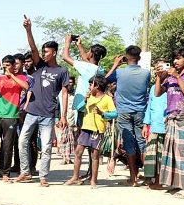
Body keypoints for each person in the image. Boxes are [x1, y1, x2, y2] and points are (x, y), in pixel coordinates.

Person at [16, 16, 70, 186]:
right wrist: (28, 30)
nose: (43, 54)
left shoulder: (62, 71)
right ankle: (25, 172)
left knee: (46, 147)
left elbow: (64, 94)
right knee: (22, 141)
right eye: (43, 51)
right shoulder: (40, 66)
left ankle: (43, 176)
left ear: (54, 52)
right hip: (32, 111)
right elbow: (32, 48)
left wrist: (63, 116)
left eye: (46, 51)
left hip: (48, 114)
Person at [154, 47, 184, 198]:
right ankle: (176, 184)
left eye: (179, 58)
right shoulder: (169, 78)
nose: (175, 61)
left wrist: (178, 77)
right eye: (174, 58)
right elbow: (157, 93)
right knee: (172, 152)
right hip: (171, 117)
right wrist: (158, 77)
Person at [105, 45, 150, 187]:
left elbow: (104, 80)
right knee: (142, 143)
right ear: (139, 58)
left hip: (123, 112)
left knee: (129, 144)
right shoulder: (146, 73)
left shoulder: (119, 72)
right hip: (141, 111)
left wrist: (115, 65)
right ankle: (148, 177)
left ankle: (133, 178)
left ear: (126, 57)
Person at [65, 74, 115, 188]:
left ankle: (93, 180)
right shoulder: (89, 97)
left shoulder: (107, 99)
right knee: (78, 152)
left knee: (95, 155)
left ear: (97, 86)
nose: (88, 87)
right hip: (85, 128)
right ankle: (75, 177)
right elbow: (79, 108)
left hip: (97, 130)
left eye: (90, 85)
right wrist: (85, 100)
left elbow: (114, 113)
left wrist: (103, 114)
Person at [142, 61, 168, 190]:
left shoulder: (172, 86)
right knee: (152, 155)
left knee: (162, 156)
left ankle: (159, 182)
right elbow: (149, 107)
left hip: (166, 126)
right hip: (154, 126)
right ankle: (152, 180)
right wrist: (146, 124)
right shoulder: (153, 88)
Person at [59, 77, 77, 165]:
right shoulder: (60, 94)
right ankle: (63, 157)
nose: (69, 84)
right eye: (68, 82)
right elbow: (57, 107)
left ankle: (68, 157)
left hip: (72, 120)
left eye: (71, 82)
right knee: (63, 139)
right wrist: (57, 118)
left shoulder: (76, 95)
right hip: (63, 120)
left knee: (71, 140)